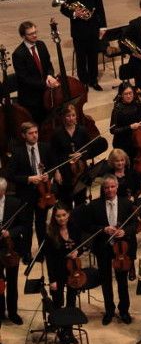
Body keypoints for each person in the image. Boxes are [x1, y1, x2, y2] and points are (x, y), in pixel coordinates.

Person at [84, 176, 137, 325]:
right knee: (106, 281)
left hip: (122, 249)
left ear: (117, 187)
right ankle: (109, 311)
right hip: (104, 248)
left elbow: (134, 225)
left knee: (122, 282)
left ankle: (124, 311)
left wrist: (124, 232)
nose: (110, 190)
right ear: (103, 189)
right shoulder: (95, 205)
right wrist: (103, 229)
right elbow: (89, 227)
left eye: (112, 187)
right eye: (107, 187)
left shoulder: (127, 204)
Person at [9, 121, 55, 261]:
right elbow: (11, 175)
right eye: (30, 133)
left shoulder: (45, 147)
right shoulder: (17, 152)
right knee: (27, 225)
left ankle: (42, 252)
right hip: (26, 195)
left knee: (41, 224)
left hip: (43, 194)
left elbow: (53, 166)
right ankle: (27, 254)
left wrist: (49, 174)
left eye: (36, 132)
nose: (34, 136)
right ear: (24, 135)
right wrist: (29, 179)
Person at [59, 0, 107, 90]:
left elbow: (100, 6)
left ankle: (93, 80)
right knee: (81, 58)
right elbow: (63, 9)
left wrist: (103, 26)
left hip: (93, 27)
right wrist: (74, 14)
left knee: (93, 56)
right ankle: (84, 82)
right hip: (79, 29)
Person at [50, 104, 103, 207]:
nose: (71, 118)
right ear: (63, 117)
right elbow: (53, 154)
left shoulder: (82, 130)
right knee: (65, 202)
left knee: (81, 201)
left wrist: (82, 154)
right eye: (68, 116)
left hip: (80, 170)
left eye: (73, 115)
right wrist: (56, 172)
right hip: (64, 170)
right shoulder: (57, 133)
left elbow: (89, 149)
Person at [45, 203, 82, 344]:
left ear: (68, 215)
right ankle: (61, 333)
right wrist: (52, 280)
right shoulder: (50, 233)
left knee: (71, 302)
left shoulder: (75, 229)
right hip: (58, 272)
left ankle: (69, 331)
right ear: (54, 217)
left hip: (73, 271)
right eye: (58, 216)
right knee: (58, 303)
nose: (61, 218)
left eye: (64, 215)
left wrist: (78, 252)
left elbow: (81, 246)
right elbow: (49, 259)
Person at [12, 20, 59, 125]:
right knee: (39, 124)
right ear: (23, 36)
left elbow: (48, 65)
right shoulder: (18, 54)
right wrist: (45, 84)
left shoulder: (41, 45)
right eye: (31, 34)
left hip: (46, 93)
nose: (34, 35)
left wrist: (50, 75)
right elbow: (24, 79)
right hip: (31, 98)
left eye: (35, 32)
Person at [0, 178, 26, 326]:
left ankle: (13, 312)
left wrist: (10, 232)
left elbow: (23, 226)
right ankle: (0, 311)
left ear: (4, 191)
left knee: (12, 282)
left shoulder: (15, 204)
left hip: (11, 249)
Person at [109, 82, 141, 162]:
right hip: (123, 142)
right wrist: (130, 127)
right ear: (121, 95)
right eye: (126, 94)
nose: (129, 96)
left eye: (130, 93)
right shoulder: (117, 109)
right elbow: (112, 130)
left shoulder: (137, 103)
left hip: (136, 139)